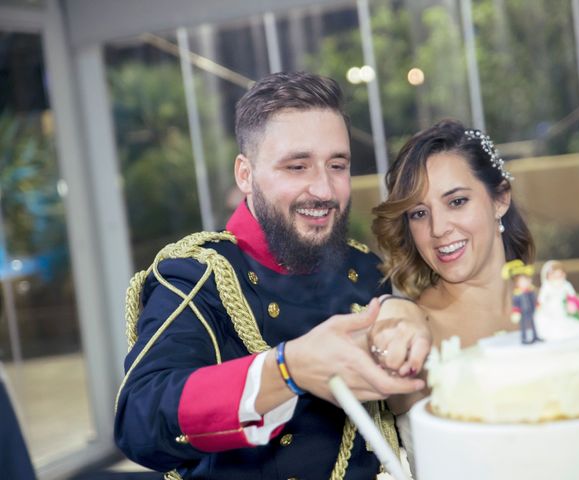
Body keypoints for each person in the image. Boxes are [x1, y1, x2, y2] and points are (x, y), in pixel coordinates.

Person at [114, 71, 430, 480]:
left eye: (337, 165)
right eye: (296, 166)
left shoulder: (366, 269)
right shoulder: (195, 277)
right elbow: (139, 421)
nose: (324, 190)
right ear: (245, 174)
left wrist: (407, 316)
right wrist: (288, 369)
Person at [369, 119, 535, 463]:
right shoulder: (410, 340)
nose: (438, 228)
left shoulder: (553, 308)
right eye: (418, 213)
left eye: (456, 201)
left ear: (500, 199)